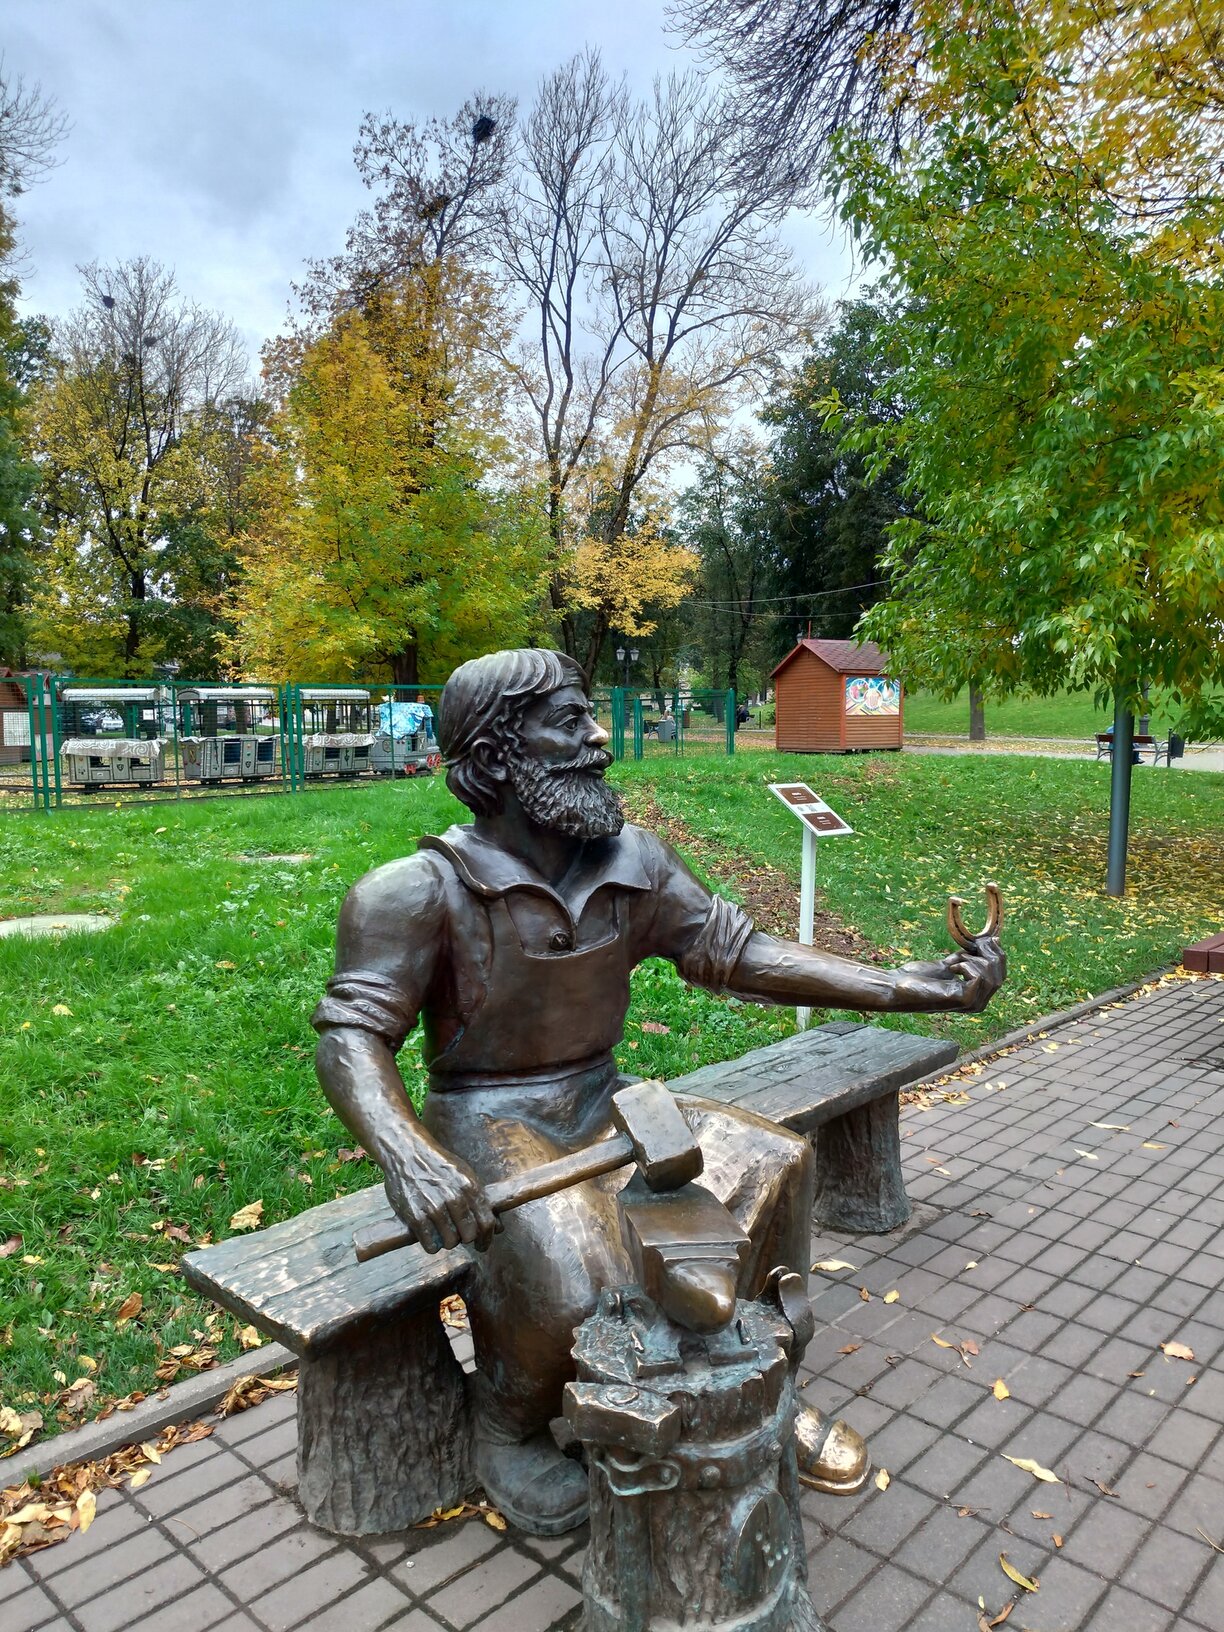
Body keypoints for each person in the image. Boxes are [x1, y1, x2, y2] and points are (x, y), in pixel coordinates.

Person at [313, 649, 1005, 1534]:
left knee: (769, 1171)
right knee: (577, 1277)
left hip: (607, 1097)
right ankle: (508, 1427)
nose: (599, 738)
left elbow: (741, 954)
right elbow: (350, 1038)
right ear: (492, 761)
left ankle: (751, 1382)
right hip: (490, 1118)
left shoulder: (633, 861)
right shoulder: (414, 893)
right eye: (569, 722)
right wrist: (407, 1154)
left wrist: (909, 986)